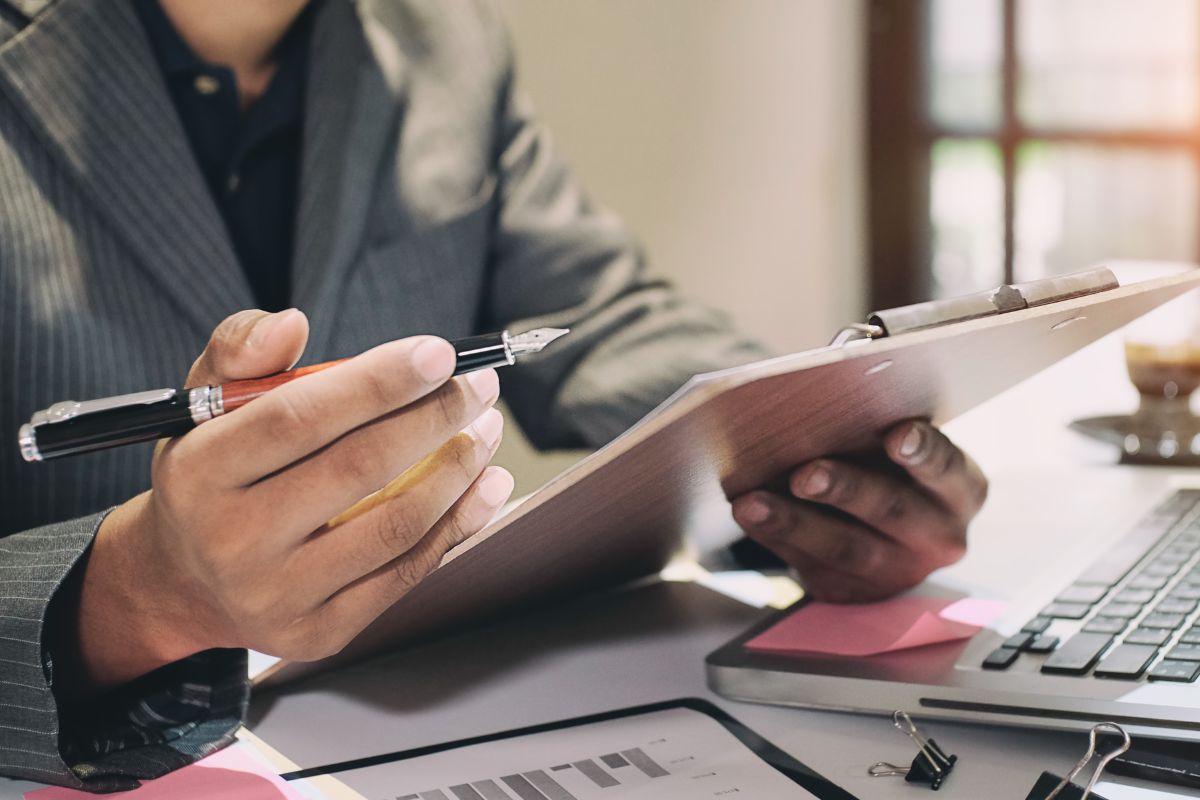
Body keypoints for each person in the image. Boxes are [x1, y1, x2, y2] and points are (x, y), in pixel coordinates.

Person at [0, 0, 988, 791]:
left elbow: (602, 318)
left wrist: (819, 438)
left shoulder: (444, 40)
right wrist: (139, 595)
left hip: (409, 721)